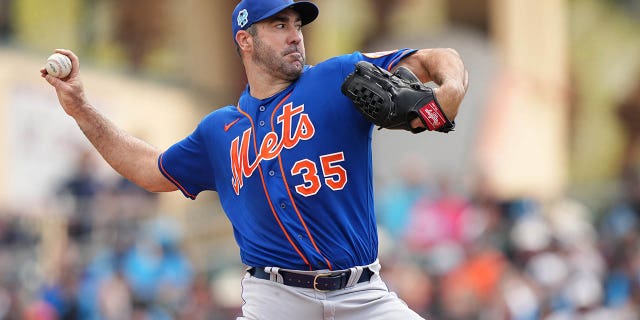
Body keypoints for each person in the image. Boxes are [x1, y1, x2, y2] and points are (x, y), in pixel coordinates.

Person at [41, 0, 468, 318]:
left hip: (362, 294)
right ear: (245, 40)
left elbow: (435, 59)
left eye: (297, 24)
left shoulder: (336, 77)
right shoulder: (218, 132)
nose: (295, 34)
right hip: (276, 299)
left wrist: (448, 93)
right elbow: (149, 169)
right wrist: (80, 107)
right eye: (279, 24)